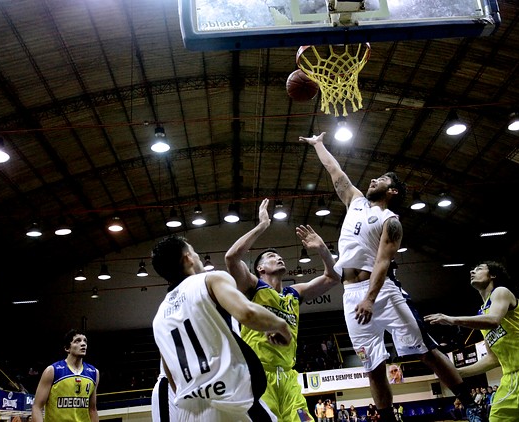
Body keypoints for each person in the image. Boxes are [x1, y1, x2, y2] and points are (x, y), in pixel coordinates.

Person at [300, 132, 480, 422]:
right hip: (351, 295)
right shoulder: (355, 202)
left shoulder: (390, 221)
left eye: (382, 179)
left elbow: (383, 262)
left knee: (425, 351)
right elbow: (336, 173)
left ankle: (470, 402)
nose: (373, 180)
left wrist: (371, 298)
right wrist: (318, 145)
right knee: (372, 366)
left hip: (382, 293)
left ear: (392, 191)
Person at [151, 235, 292, 421]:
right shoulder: (210, 280)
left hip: (189, 413)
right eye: (195, 252)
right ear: (188, 258)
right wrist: (280, 325)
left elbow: (171, 375)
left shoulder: (158, 317)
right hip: (232, 403)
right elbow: (247, 313)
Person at [225, 198, 339, 422]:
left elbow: (333, 277)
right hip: (258, 375)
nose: (277, 257)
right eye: (270, 257)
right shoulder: (254, 287)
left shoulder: (293, 293)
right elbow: (231, 257)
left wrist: (323, 250)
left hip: (288, 378)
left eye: (278, 255)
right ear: (260, 269)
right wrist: (262, 225)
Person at [424, 261, 519, 421]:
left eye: (478, 269)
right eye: (472, 269)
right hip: (510, 379)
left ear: (492, 275)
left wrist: (451, 320)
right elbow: (493, 358)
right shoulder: (481, 313)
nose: (472, 271)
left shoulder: (500, 292)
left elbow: (494, 320)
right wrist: (457, 373)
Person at [31, 329, 100, 422]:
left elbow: (92, 410)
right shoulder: (52, 371)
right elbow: (37, 407)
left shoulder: (94, 373)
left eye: (85, 341)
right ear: (67, 348)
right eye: (77, 341)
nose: (83, 344)